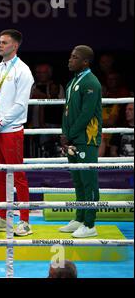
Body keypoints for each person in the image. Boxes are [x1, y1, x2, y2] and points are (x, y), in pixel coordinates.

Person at [0, 29, 34, 236]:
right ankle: (3, 217)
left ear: (15, 46)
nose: (0, 45)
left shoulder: (23, 71)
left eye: (4, 42)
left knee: (18, 175)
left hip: (11, 131)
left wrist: (0, 122)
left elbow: (21, 105)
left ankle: (25, 221)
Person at [59, 45, 102, 238]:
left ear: (85, 62)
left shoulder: (91, 82)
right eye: (70, 56)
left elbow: (86, 115)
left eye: (74, 57)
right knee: (77, 180)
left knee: (88, 181)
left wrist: (70, 134)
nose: (70, 60)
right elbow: (68, 112)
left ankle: (90, 224)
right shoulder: (72, 82)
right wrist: (64, 134)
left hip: (87, 139)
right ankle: (79, 218)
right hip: (73, 138)